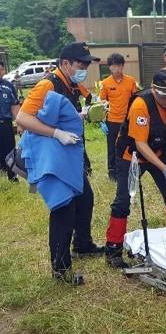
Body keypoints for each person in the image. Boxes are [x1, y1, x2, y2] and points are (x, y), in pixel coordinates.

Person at [16, 42, 104, 284]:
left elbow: (61, 113)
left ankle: (83, 245)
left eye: (86, 65)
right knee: (64, 208)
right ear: (65, 63)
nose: (84, 68)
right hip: (51, 156)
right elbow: (23, 118)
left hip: (67, 155)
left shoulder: (72, 84)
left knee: (85, 198)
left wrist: (81, 116)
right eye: (80, 64)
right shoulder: (48, 84)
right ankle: (60, 269)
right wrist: (56, 133)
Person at [105, 70, 166, 268]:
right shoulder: (141, 104)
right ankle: (113, 249)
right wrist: (163, 168)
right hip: (131, 155)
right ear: (153, 89)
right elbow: (140, 143)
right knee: (123, 199)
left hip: (158, 152)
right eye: (162, 95)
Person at [99, 53, 138, 180]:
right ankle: (112, 172)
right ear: (110, 67)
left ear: (123, 66)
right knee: (112, 147)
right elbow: (102, 102)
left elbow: (136, 99)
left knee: (129, 146)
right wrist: (102, 120)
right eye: (114, 66)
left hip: (128, 120)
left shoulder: (131, 81)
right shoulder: (105, 83)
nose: (117, 69)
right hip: (112, 120)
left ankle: (130, 169)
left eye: (119, 66)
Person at [0, 61, 20, 182]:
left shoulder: (8, 86)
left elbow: (14, 106)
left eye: (1, 69)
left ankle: (12, 176)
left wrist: (19, 123)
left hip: (5, 124)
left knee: (10, 151)